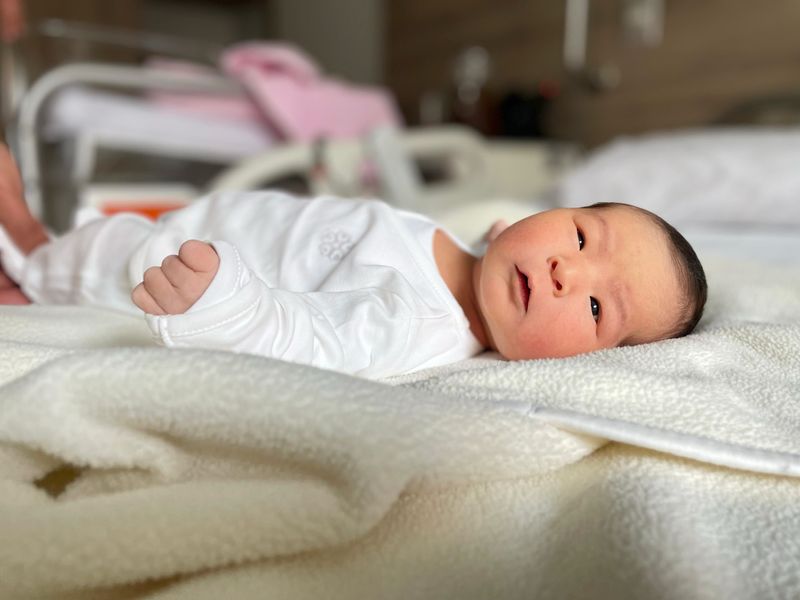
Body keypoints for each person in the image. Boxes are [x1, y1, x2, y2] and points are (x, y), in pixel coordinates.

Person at [0, 144, 706, 379]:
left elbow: (311, 341)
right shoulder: (481, 255)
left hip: (180, 273)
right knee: (119, 238)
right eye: (580, 237)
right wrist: (503, 237)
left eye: (595, 308)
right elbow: (512, 241)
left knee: (105, 258)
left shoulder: (416, 321)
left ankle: (28, 249)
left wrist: (231, 307)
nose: (565, 272)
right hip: (202, 226)